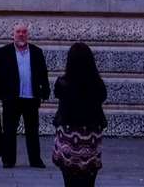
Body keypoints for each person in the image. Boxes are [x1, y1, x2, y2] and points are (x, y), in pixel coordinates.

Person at [51, 42, 107, 187]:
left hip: (69, 136)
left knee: (69, 180)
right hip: (90, 137)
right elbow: (102, 97)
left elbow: (59, 97)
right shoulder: (97, 83)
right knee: (89, 180)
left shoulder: (62, 83)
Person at [0, 23, 50, 169]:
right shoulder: (4, 52)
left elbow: (43, 73)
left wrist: (45, 90)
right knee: (9, 130)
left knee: (32, 130)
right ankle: (8, 160)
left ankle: (35, 160)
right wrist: (0, 93)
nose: (21, 34)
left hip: (31, 97)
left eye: (24, 32)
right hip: (11, 98)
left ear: (28, 34)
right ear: (13, 34)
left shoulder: (37, 52)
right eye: (18, 31)